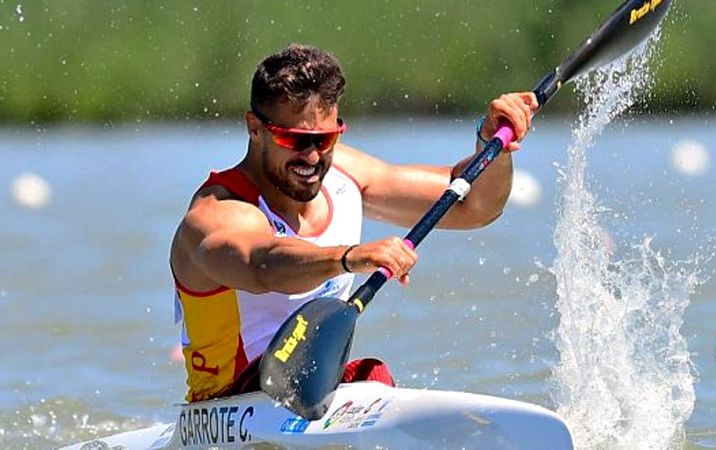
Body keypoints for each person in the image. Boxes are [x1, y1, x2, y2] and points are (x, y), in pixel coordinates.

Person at [169, 43, 537, 402]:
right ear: (254, 127)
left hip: (313, 386)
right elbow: (262, 264)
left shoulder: (345, 174)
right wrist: (349, 257)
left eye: (325, 138)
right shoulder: (218, 211)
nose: (312, 157)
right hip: (228, 404)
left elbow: (474, 206)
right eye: (295, 139)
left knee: (372, 377)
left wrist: (492, 146)